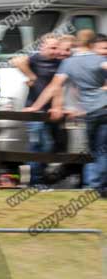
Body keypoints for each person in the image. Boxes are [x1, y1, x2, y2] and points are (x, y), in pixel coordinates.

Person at [26, 39, 107, 195]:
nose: (63, 52)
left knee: (82, 151)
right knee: (48, 148)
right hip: (56, 113)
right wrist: (31, 78)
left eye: (68, 49)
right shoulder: (44, 61)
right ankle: (40, 183)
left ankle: (88, 185)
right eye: (59, 49)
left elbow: (63, 89)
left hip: (79, 113)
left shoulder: (71, 64)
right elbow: (57, 89)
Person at [12, 33, 64, 187]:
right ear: (42, 47)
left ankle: (41, 179)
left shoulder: (60, 62)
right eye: (52, 47)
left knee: (51, 146)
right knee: (38, 145)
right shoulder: (35, 58)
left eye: (56, 47)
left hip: (51, 110)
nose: (55, 51)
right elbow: (16, 60)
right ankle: (36, 182)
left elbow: (58, 87)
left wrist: (57, 106)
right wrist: (31, 76)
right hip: (34, 109)